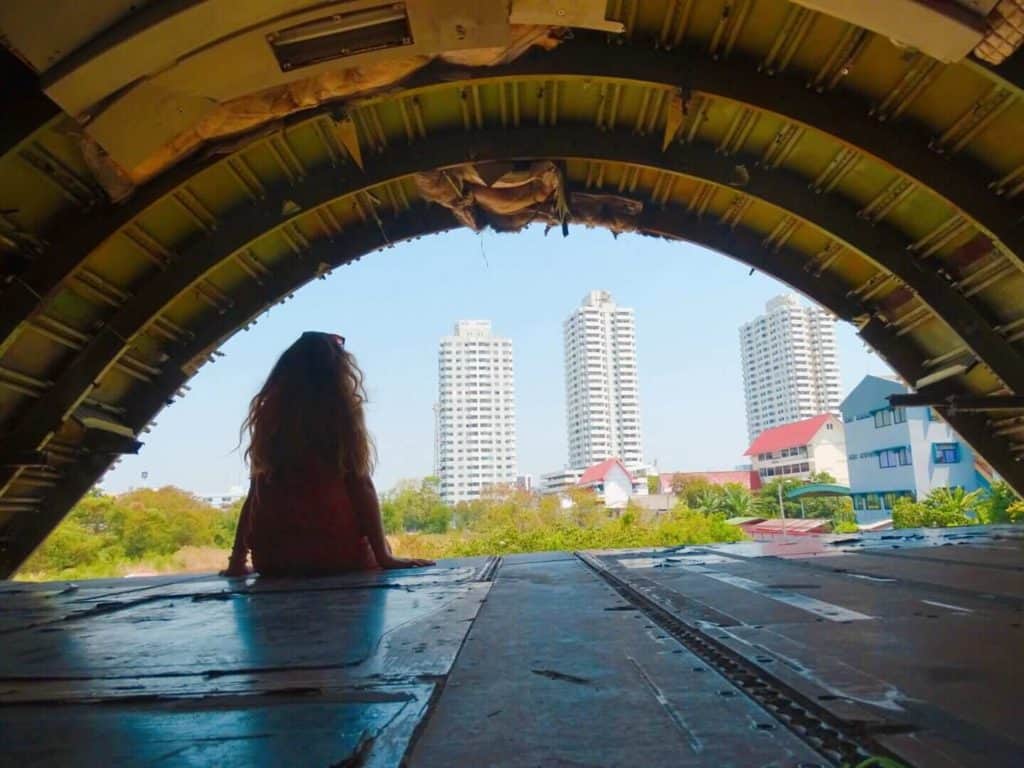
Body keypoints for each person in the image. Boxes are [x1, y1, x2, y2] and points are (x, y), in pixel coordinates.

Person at [222, 331, 433, 576]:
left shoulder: (271, 419)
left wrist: (237, 559)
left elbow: (255, 494)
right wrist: (384, 556)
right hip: (339, 555)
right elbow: (360, 485)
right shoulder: (340, 417)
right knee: (374, 550)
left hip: (274, 559)